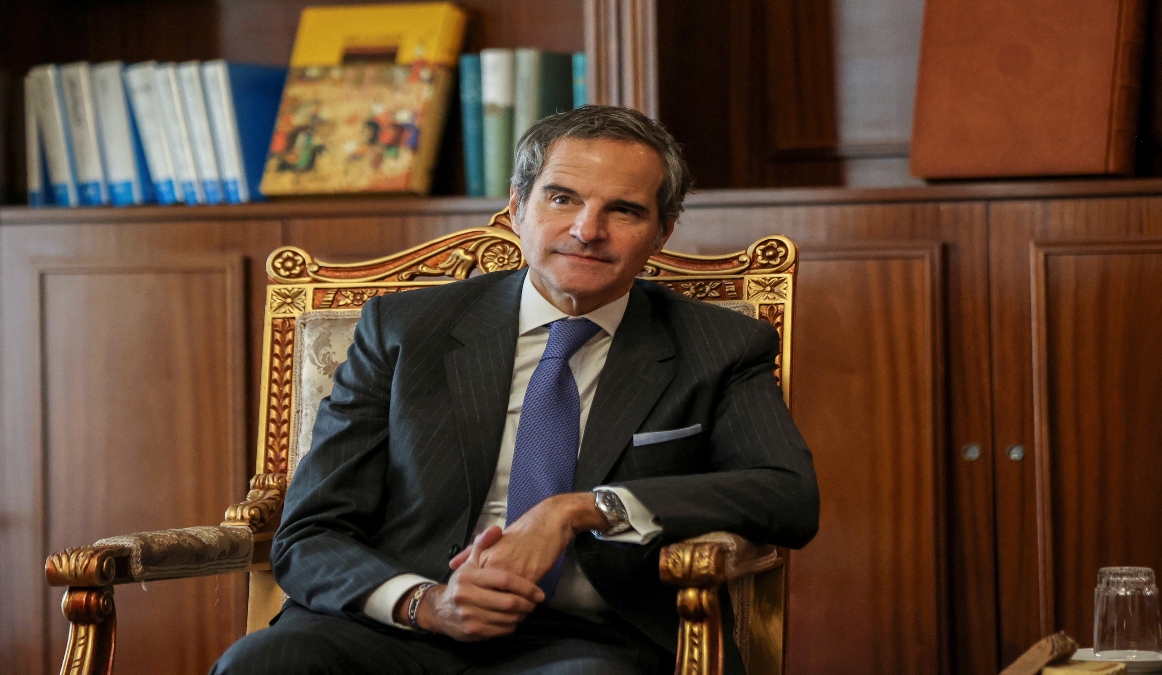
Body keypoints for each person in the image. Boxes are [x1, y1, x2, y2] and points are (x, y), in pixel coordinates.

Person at [212, 105, 819, 675]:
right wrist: (427, 602)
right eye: (562, 198)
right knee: (264, 664)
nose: (587, 230)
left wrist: (580, 509)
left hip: (592, 636)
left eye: (625, 211)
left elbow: (786, 495)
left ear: (662, 230)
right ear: (516, 209)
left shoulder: (720, 345)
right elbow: (310, 530)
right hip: (404, 619)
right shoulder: (404, 330)